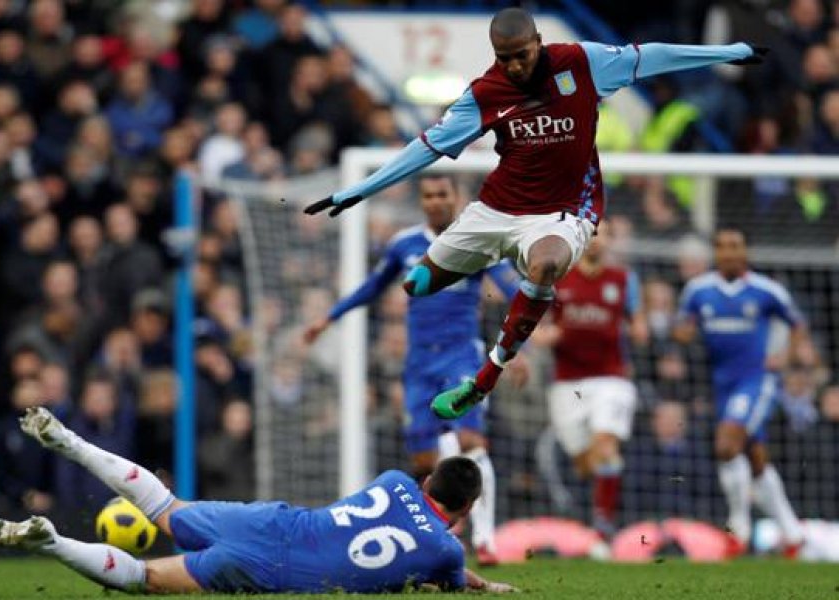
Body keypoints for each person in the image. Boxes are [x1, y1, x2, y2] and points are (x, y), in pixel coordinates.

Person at [302, 7, 767, 419]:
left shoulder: (581, 63)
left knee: (544, 264)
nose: (514, 66)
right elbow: (428, 147)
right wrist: (358, 191)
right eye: (504, 58)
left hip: (566, 212)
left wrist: (729, 51)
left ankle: (486, 375)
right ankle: (499, 277)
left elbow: (651, 57)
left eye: (521, 55)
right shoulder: (485, 92)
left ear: (538, 43)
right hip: (497, 208)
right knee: (417, 285)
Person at [0, 407, 513, 594]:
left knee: (165, 506)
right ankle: (51, 542)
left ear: (426, 482)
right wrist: (486, 583)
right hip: (271, 566)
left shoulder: (396, 479)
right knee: (146, 578)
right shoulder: (445, 552)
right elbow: (452, 573)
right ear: (464, 511)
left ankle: (69, 441)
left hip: (273, 521)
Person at [303, 174, 521, 565]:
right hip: (419, 363)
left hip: (461, 356)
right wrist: (329, 317)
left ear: (456, 198)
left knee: (471, 440)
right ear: (422, 201)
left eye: (443, 194)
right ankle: (442, 534)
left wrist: (525, 342)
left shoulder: (477, 241)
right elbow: (374, 285)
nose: (436, 201)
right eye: (429, 195)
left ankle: (486, 541)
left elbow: (511, 290)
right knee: (424, 462)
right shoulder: (405, 244)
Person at [673, 226, 815, 556]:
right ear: (715, 253)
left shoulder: (767, 291)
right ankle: (793, 535)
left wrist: (785, 357)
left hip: (757, 380)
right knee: (754, 457)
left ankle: (738, 528)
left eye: (735, 246)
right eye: (722, 247)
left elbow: (797, 324)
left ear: (745, 251)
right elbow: (682, 328)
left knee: (726, 445)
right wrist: (682, 333)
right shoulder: (698, 290)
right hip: (721, 383)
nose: (729, 252)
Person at [532, 224, 647, 537]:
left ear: (610, 240)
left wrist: (639, 332)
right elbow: (535, 324)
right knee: (585, 464)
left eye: (604, 234)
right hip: (568, 382)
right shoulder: (557, 277)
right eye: (591, 234)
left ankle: (603, 525)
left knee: (605, 446)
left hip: (611, 378)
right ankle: (593, 513)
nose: (597, 240)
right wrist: (545, 336)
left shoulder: (624, 280)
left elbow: (639, 325)